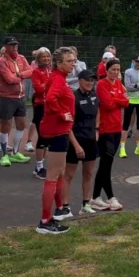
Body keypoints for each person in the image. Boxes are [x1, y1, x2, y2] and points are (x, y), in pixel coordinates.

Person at [36, 47, 84, 235]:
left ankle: (59, 210)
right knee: (53, 176)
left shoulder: (59, 79)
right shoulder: (57, 79)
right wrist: (61, 114)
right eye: (69, 61)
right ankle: (45, 221)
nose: (73, 63)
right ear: (59, 63)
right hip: (57, 132)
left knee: (59, 173)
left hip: (60, 131)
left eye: (74, 60)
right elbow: (50, 98)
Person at [91, 59, 129, 211]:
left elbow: (127, 103)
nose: (115, 72)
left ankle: (95, 197)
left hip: (116, 129)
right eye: (112, 69)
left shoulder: (119, 84)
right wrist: (119, 100)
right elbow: (108, 104)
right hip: (105, 129)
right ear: (106, 70)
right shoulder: (101, 84)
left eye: (117, 69)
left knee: (107, 165)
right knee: (106, 164)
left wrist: (118, 100)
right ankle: (111, 197)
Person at [67, 68, 100, 216]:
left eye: (92, 80)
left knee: (88, 173)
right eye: (87, 80)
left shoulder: (94, 95)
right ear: (79, 81)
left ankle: (86, 204)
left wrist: (97, 130)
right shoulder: (73, 98)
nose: (90, 83)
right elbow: (68, 125)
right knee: (69, 175)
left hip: (90, 141)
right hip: (75, 141)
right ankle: (65, 206)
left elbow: (98, 112)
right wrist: (76, 145)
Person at [0, 36, 32, 167]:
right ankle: (4, 154)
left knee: (21, 124)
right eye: (11, 45)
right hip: (7, 97)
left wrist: (20, 75)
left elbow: (31, 71)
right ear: (5, 46)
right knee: (6, 125)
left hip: (20, 97)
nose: (14, 47)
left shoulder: (21, 58)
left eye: (15, 44)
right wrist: (20, 76)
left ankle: (16, 152)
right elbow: (9, 79)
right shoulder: (2, 61)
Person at [29, 48, 53, 180]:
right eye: (43, 57)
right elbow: (38, 89)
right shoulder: (36, 72)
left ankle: (41, 165)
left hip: (51, 105)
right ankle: (39, 167)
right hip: (41, 105)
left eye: (47, 57)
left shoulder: (51, 70)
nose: (46, 59)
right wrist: (49, 83)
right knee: (42, 136)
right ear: (38, 59)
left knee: (47, 137)